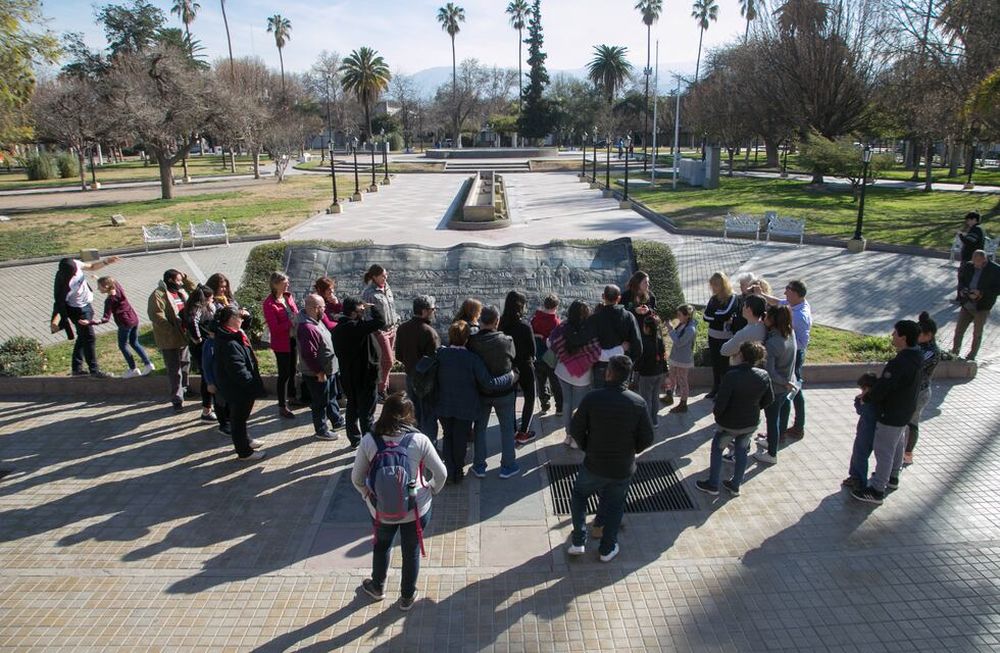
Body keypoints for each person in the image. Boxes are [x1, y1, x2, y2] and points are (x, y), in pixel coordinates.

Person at [352, 393, 447, 612]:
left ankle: (377, 587)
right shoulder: (419, 440)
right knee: (410, 551)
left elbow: (356, 479)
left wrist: (368, 495)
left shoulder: (369, 440)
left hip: (381, 510)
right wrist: (431, 490)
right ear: (409, 416)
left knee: (381, 546)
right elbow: (441, 473)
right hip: (415, 509)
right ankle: (406, 596)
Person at [566, 355, 654, 562]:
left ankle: (578, 540)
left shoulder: (592, 398)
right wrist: (632, 450)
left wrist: (587, 447)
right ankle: (607, 548)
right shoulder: (638, 403)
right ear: (629, 375)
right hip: (622, 467)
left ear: (608, 373)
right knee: (615, 505)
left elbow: (576, 428)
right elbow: (648, 438)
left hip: (594, 463)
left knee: (579, 495)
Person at [435, 321, 516, 483]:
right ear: (467, 339)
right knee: (460, 438)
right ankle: (457, 471)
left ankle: (450, 469)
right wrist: (509, 377)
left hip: (443, 404)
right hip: (465, 407)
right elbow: (489, 383)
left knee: (448, 435)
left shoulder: (440, 354)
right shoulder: (471, 359)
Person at [851, 320, 922, 504]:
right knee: (897, 444)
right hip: (905, 411)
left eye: (895, 333)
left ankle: (877, 489)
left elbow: (884, 387)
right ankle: (892, 477)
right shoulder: (917, 356)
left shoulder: (899, 362)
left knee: (884, 451)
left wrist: (866, 398)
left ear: (903, 338)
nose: (892, 336)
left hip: (891, 413)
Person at [695, 341, 773, 497]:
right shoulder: (764, 375)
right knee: (742, 451)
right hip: (749, 424)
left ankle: (713, 484)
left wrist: (718, 416)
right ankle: (735, 484)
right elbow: (768, 399)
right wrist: (755, 409)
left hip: (728, 425)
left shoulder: (732, 376)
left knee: (717, 450)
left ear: (741, 355)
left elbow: (721, 402)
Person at [468, 305, 519, 479]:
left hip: (481, 393)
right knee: (506, 429)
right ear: (497, 321)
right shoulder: (507, 340)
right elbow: (512, 359)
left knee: (480, 429)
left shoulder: (472, 342)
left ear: (480, 321)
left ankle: (479, 466)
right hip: (505, 392)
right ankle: (508, 466)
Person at [50, 256, 121, 378]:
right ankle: (94, 371)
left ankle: (76, 369)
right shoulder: (65, 284)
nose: (74, 275)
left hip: (87, 305)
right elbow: (59, 304)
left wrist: (106, 262)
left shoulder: (75, 264)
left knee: (83, 337)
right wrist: (54, 322)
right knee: (89, 337)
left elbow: (92, 267)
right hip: (77, 310)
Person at [759, 279, 811, 438]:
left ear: (795, 293)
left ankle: (782, 431)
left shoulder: (797, 315)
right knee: (793, 389)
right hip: (792, 351)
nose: (784, 293)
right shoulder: (797, 304)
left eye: (787, 290)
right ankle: (787, 428)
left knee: (788, 390)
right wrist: (761, 294)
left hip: (792, 353)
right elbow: (778, 301)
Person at [214, 306, 267, 461]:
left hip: (240, 388)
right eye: (239, 317)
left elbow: (245, 324)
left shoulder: (230, 333)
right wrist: (251, 385)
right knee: (238, 419)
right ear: (231, 319)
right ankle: (244, 452)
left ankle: (247, 441)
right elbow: (237, 369)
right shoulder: (229, 343)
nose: (242, 320)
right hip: (238, 389)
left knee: (241, 418)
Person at [333, 297, 386, 448]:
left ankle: (354, 439)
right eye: (360, 309)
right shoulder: (356, 328)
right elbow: (380, 321)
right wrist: (372, 308)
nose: (363, 310)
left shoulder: (338, 329)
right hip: (366, 376)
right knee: (367, 412)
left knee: (352, 406)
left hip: (348, 376)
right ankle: (369, 443)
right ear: (353, 312)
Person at [548, 300, 601, 448]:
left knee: (566, 403)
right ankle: (576, 439)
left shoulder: (562, 326)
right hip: (582, 376)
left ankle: (568, 435)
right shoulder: (590, 329)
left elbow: (550, 343)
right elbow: (596, 350)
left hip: (562, 371)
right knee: (578, 407)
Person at [148, 269, 198, 412]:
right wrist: (172, 328)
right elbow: (156, 315)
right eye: (178, 280)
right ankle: (177, 400)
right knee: (174, 370)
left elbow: (194, 291)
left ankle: (185, 388)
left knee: (185, 364)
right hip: (170, 339)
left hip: (183, 336)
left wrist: (185, 278)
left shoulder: (181, 291)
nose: (180, 283)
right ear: (170, 280)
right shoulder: (158, 295)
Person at [297, 293, 346, 441]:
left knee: (330, 396)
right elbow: (308, 354)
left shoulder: (315, 320)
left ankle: (336, 421)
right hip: (317, 373)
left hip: (328, 370)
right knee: (320, 402)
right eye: (323, 307)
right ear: (316, 308)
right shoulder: (307, 327)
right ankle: (321, 430)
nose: (325, 310)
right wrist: (319, 372)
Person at [753, 305, 797, 465]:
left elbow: (770, 372)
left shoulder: (773, 343)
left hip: (777, 388)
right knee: (778, 417)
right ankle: (773, 442)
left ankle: (772, 454)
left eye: (767, 316)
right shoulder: (791, 333)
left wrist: (785, 383)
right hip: (786, 385)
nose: (764, 318)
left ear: (772, 320)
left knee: (772, 421)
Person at [394, 295, 441, 441]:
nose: (434, 312)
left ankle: (414, 444)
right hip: (427, 380)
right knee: (429, 414)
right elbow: (435, 360)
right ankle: (428, 447)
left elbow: (399, 355)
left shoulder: (402, 328)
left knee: (413, 413)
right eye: (433, 309)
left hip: (410, 376)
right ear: (425, 311)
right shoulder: (429, 332)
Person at [93, 275, 153, 378]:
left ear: (107, 286)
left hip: (124, 324)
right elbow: (113, 281)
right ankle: (148, 364)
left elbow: (105, 318)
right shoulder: (118, 289)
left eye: (99, 287)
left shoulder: (109, 300)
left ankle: (133, 369)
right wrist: (98, 278)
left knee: (123, 345)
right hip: (134, 319)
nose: (98, 289)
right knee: (134, 342)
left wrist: (91, 322)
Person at [262, 272, 304, 419]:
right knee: (284, 374)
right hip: (281, 343)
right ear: (275, 284)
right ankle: (282, 405)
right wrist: (290, 322)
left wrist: (296, 317)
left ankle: (292, 397)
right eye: (284, 282)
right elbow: (274, 327)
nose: (287, 284)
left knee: (292, 369)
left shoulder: (287, 296)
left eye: (288, 281)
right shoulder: (269, 304)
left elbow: (295, 312)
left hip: (293, 339)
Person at [499, 291, 537, 445]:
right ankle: (523, 432)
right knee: (530, 397)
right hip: (525, 366)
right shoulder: (525, 326)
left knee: (511, 399)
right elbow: (533, 350)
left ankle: (512, 429)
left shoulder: (501, 324)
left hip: (509, 366)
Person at [903, 312, 941, 466]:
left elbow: (912, 366)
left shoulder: (931, 351)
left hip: (920, 392)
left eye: (920, 334)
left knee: (912, 423)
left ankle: (908, 453)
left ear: (929, 335)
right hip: (910, 389)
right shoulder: (919, 346)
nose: (917, 336)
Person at [587, 284, 642, 389]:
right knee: (620, 400)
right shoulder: (629, 317)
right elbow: (637, 346)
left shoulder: (593, 319)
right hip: (622, 365)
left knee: (600, 400)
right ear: (619, 298)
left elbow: (588, 345)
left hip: (600, 366)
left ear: (603, 296)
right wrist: (629, 361)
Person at [951, 250, 1000, 361]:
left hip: (982, 307)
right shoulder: (969, 265)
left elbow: (997, 289)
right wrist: (962, 290)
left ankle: (972, 356)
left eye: (977, 261)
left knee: (977, 332)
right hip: (967, 304)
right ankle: (954, 353)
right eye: (973, 260)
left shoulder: (995, 270)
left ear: (984, 259)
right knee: (959, 330)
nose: (975, 264)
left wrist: (981, 293)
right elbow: (962, 280)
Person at [361, 264, 400, 401]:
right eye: (383, 275)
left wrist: (396, 320)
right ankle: (380, 390)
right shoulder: (368, 293)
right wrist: (375, 329)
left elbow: (391, 306)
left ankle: (384, 389)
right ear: (374, 277)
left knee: (387, 362)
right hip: (380, 331)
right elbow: (366, 314)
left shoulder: (387, 287)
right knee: (388, 361)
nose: (386, 277)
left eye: (386, 274)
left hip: (391, 328)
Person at [183, 286, 217, 422]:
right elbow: (192, 322)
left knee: (209, 375)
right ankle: (206, 410)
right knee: (207, 377)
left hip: (203, 345)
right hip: (201, 347)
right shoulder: (198, 308)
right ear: (205, 298)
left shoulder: (197, 306)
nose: (213, 300)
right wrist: (198, 338)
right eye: (211, 298)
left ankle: (211, 406)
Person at [841, 372, 879, 491]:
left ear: (867, 388)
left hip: (867, 433)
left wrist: (861, 403)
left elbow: (864, 412)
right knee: (857, 454)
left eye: (863, 389)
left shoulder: (871, 402)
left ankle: (860, 480)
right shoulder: (870, 399)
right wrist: (858, 402)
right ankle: (854, 475)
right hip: (864, 431)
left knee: (860, 455)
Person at [703, 272, 738, 399]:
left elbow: (726, 313)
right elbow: (705, 316)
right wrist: (719, 316)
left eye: (716, 285)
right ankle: (715, 388)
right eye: (712, 285)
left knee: (725, 365)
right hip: (712, 336)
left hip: (725, 337)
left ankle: (724, 391)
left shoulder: (732, 297)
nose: (714, 288)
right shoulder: (713, 298)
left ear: (723, 284)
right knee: (716, 364)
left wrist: (717, 315)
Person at [531, 294, 563, 415]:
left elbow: (532, 333)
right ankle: (559, 408)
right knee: (555, 381)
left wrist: (539, 337)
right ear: (556, 306)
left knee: (541, 380)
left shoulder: (535, 319)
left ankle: (544, 405)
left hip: (538, 354)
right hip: (551, 355)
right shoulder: (556, 322)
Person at [199, 315, 230, 435]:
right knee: (220, 403)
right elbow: (206, 366)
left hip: (226, 379)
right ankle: (223, 425)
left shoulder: (221, 342)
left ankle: (228, 420)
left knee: (227, 402)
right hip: (216, 381)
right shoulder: (209, 345)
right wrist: (210, 382)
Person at [635, 313, 667, 427]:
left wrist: (636, 370)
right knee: (655, 397)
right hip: (658, 373)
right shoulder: (659, 339)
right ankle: (654, 420)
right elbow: (663, 357)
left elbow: (640, 360)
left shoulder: (643, 342)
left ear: (647, 328)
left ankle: (646, 421)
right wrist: (665, 371)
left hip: (647, 374)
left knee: (646, 398)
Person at [666, 305, 696, 414]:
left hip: (683, 360)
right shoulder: (683, 324)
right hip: (676, 357)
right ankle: (669, 395)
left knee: (682, 381)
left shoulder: (690, 329)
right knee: (671, 376)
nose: (677, 317)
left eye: (679, 315)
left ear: (687, 316)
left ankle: (683, 403)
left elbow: (679, 343)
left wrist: (670, 329)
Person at [719, 294, 767, 362]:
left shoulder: (744, 333)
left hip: (744, 369)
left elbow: (724, 350)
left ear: (749, 310)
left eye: (744, 305)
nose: (742, 308)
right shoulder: (764, 326)